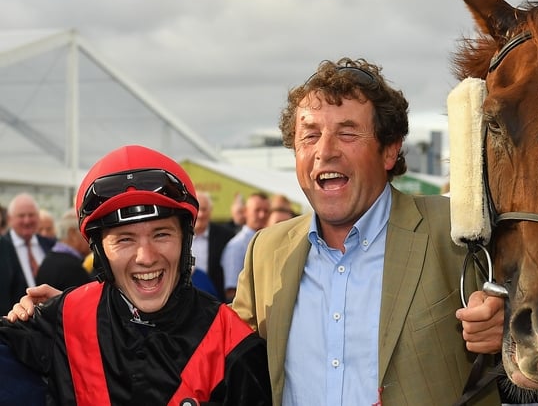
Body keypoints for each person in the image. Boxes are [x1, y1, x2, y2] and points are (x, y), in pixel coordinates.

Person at [231, 58, 502, 405]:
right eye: (310, 135)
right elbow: (223, 359)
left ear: (390, 150)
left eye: (347, 133)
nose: (324, 152)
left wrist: (510, 329)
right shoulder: (265, 251)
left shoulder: (457, 228)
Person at [0, 145, 270, 405]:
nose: (146, 257)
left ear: (185, 239)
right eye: (124, 239)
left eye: (161, 234)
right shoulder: (59, 322)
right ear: (100, 252)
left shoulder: (234, 346)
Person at [0, 193, 56, 313]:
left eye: (31, 215)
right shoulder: (3, 247)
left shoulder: (50, 244)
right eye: (21, 216)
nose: (27, 220)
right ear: (10, 219)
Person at [220, 191, 270, 302]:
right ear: (245, 212)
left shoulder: (269, 240)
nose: (262, 215)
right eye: (257, 210)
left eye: (266, 211)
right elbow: (231, 292)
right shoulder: (236, 246)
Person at [192, 190, 236, 301]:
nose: (201, 214)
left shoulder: (226, 236)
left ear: (211, 211)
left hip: (215, 301)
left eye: (204, 209)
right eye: (198, 209)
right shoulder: (179, 235)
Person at [34, 209, 91, 290]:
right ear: (73, 234)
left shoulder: (48, 261)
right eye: (88, 232)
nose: (92, 238)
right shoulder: (73, 269)